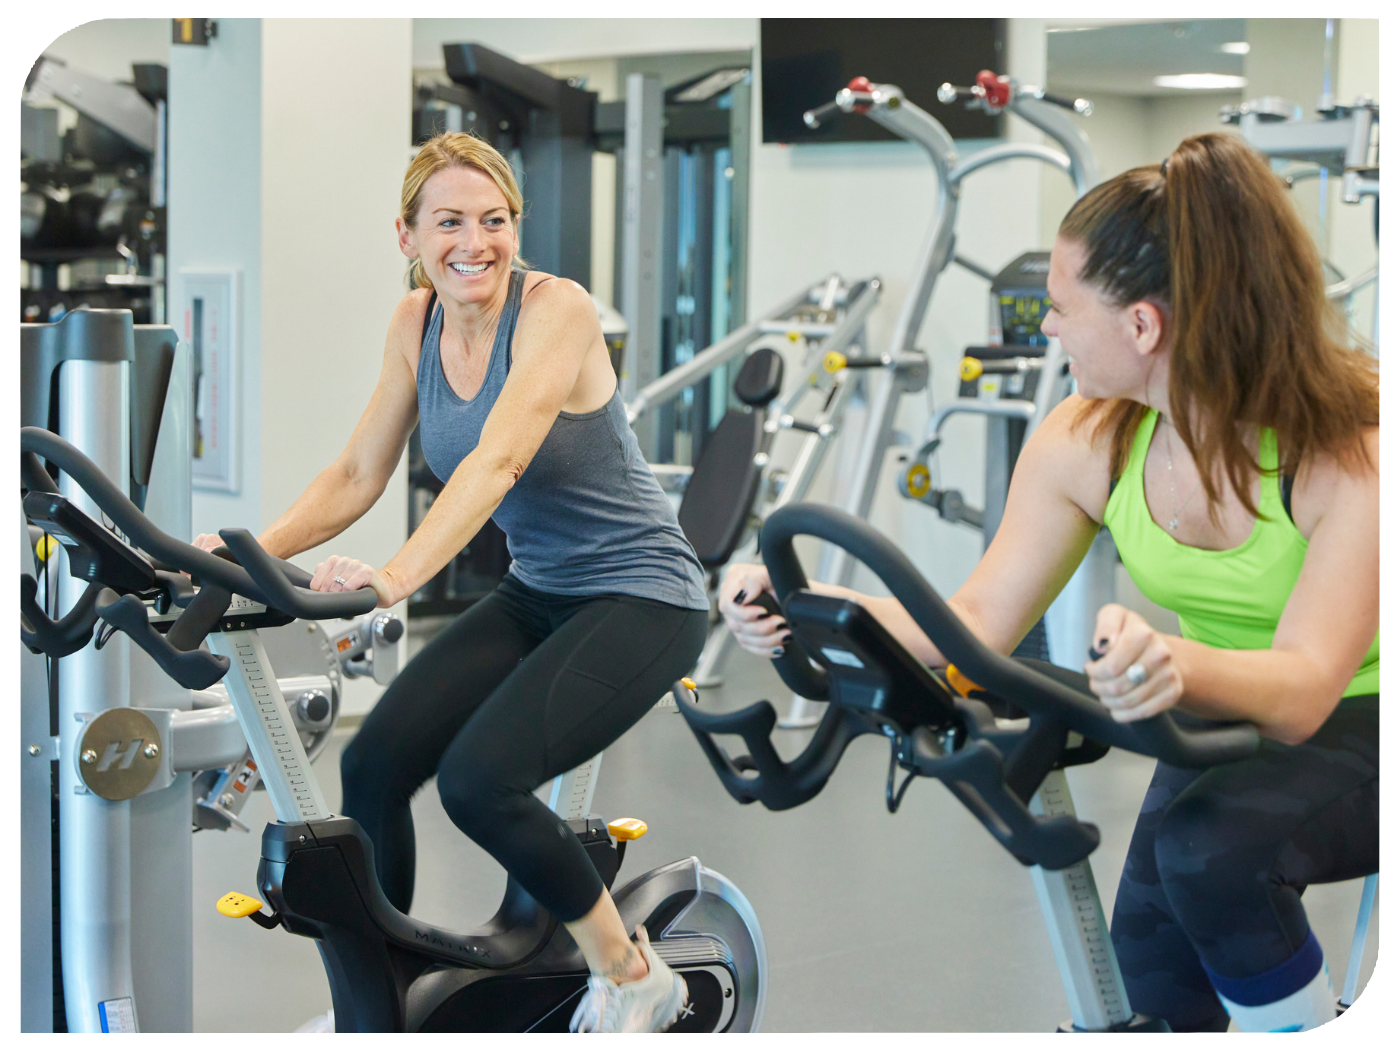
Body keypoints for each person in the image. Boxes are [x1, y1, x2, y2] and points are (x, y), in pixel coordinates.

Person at [721, 132, 1379, 1033]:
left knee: (1205, 853)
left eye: (1063, 308)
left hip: (1359, 710)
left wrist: (1174, 665)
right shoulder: (1090, 435)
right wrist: (797, 610)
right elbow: (977, 619)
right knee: (1152, 986)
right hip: (1227, 707)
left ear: (1143, 325)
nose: (1050, 328)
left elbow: (1305, 689)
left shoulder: (1347, 447)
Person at [196, 132, 709, 1033]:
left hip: (643, 595)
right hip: (540, 591)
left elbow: (498, 460)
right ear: (408, 237)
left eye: (494, 221)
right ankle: (375, 997)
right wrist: (246, 554)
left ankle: (632, 974)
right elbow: (358, 473)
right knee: (374, 762)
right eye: (449, 223)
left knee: (481, 782)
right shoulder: (414, 323)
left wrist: (395, 576)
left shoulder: (559, 311)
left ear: (516, 228)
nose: (475, 242)